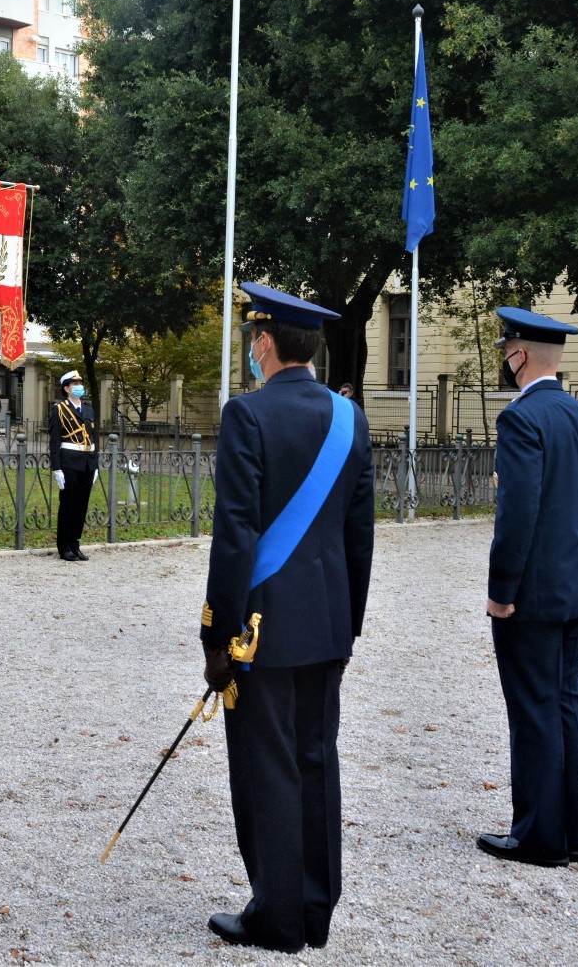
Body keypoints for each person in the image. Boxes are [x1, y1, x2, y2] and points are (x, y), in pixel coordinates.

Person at [200, 282, 373, 954]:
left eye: (251, 339)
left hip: (261, 629)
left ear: (264, 343)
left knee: (268, 767)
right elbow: (359, 535)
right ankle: (313, 907)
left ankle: (276, 918)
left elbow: (235, 536)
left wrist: (217, 633)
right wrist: (347, 624)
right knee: (314, 762)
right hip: (326, 625)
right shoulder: (347, 418)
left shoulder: (247, 416)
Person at [478, 307, 578, 869]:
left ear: (520, 355)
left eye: (506, 351)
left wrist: (501, 588)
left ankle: (537, 835)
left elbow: (518, 513)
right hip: (575, 587)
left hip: (531, 595)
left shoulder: (522, 419)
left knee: (535, 710)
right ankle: (568, 831)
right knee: (563, 705)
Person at [48, 370, 99, 562]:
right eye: (75, 384)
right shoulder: (59, 409)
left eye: (80, 383)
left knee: (81, 506)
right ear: (67, 388)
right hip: (68, 462)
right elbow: (54, 441)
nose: (79, 386)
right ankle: (64, 547)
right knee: (68, 505)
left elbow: (93, 438)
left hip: (87, 463)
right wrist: (57, 468)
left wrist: (95, 465)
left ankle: (75, 543)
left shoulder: (88, 410)